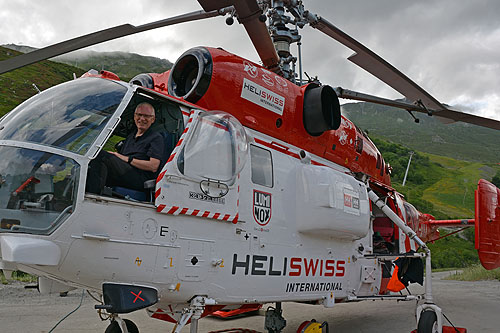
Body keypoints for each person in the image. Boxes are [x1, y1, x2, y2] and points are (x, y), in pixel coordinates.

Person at [86, 102, 164, 195]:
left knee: (102, 156)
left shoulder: (156, 137)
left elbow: (153, 166)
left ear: (153, 119)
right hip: (124, 172)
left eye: (146, 116)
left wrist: (127, 159)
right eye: (139, 115)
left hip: (140, 178)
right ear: (134, 116)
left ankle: (93, 196)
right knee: (92, 159)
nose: (142, 119)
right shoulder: (130, 137)